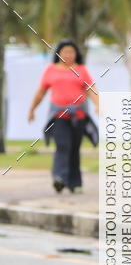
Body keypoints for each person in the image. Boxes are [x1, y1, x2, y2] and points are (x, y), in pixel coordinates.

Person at [28, 40, 99, 193]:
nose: (68, 54)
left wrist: (98, 104)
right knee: (63, 146)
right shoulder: (50, 70)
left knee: (75, 148)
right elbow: (41, 93)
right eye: (65, 51)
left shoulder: (82, 69)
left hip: (78, 116)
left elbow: (91, 89)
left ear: (76, 54)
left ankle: (75, 183)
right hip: (59, 117)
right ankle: (59, 177)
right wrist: (32, 109)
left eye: (71, 51)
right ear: (59, 53)